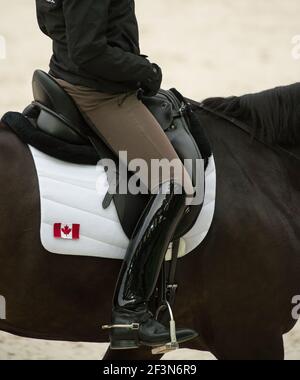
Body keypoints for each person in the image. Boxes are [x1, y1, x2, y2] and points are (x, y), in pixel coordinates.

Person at [35, 0, 198, 349]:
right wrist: (144, 71)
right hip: (98, 92)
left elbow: (49, 23)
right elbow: (88, 52)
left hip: (67, 75)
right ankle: (131, 311)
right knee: (174, 185)